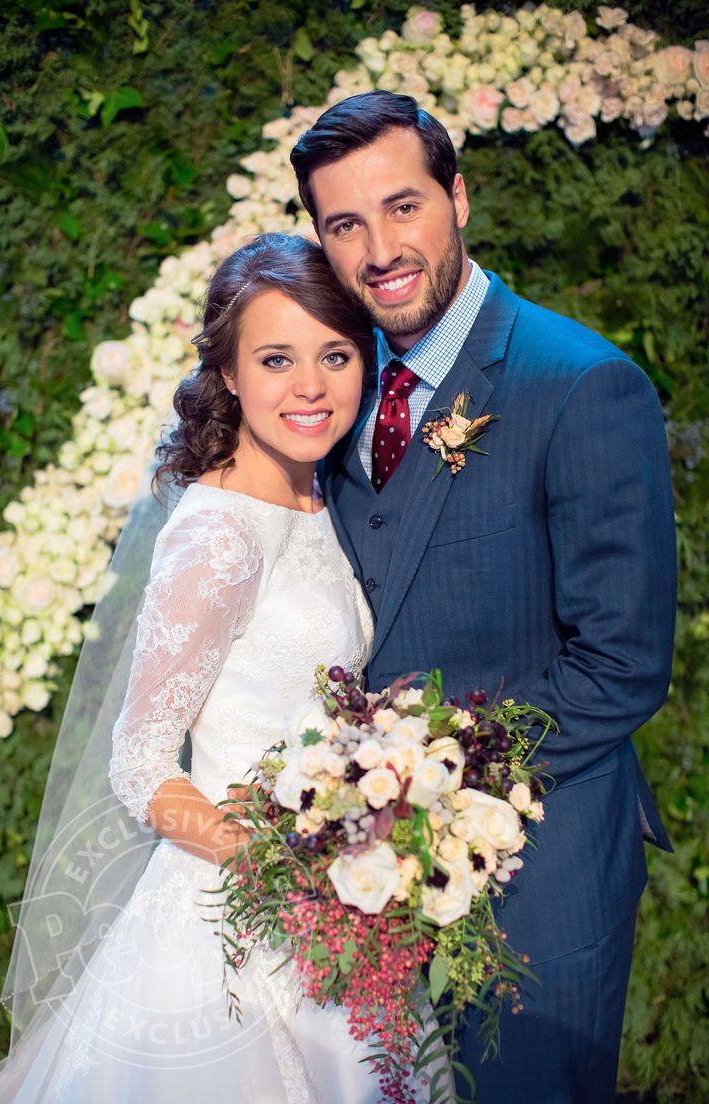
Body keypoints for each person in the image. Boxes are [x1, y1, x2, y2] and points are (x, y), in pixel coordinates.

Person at [290, 90, 677, 1103]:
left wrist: (438, 782)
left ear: (457, 198)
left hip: (536, 869)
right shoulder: (326, 389)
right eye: (345, 225)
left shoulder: (578, 383)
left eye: (403, 206)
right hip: (360, 879)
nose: (380, 247)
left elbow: (621, 665)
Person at [0, 233, 423, 1102]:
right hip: (237, 920)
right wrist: (287, 877)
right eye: (276, 359)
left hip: (333, 904)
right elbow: (141, 760)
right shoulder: (218, 533)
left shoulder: (316, 493)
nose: (310, 387)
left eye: (335, 355)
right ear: (227, 373)